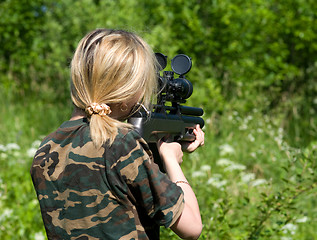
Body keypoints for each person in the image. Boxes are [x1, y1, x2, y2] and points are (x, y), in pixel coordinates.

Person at [30, 28, 204, 240]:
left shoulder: (46, 147)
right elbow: (192, 227)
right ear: (127, 91)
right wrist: (171, 160)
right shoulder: (122, 144)